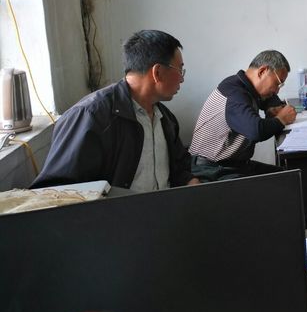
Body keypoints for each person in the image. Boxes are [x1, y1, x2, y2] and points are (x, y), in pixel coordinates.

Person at [32, 30, 199, 191]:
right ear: (158, 72)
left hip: (165, 208)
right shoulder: (90, 116)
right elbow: (58, 191)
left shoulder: (165, 119)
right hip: (116, 211)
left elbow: (180, 170)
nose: (182, 79)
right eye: (180, 70)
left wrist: (191, 182)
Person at [189, 50, 297, 182]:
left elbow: (271, 99)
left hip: (235, 165)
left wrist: (272, 107)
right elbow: (255, 130)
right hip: (211, 170)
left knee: (290, 176)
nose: (277, 90)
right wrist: (281, 119)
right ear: (262, 71)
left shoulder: (246, 86)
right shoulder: (234, 93)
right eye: (278, 83)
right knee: (286, 183)